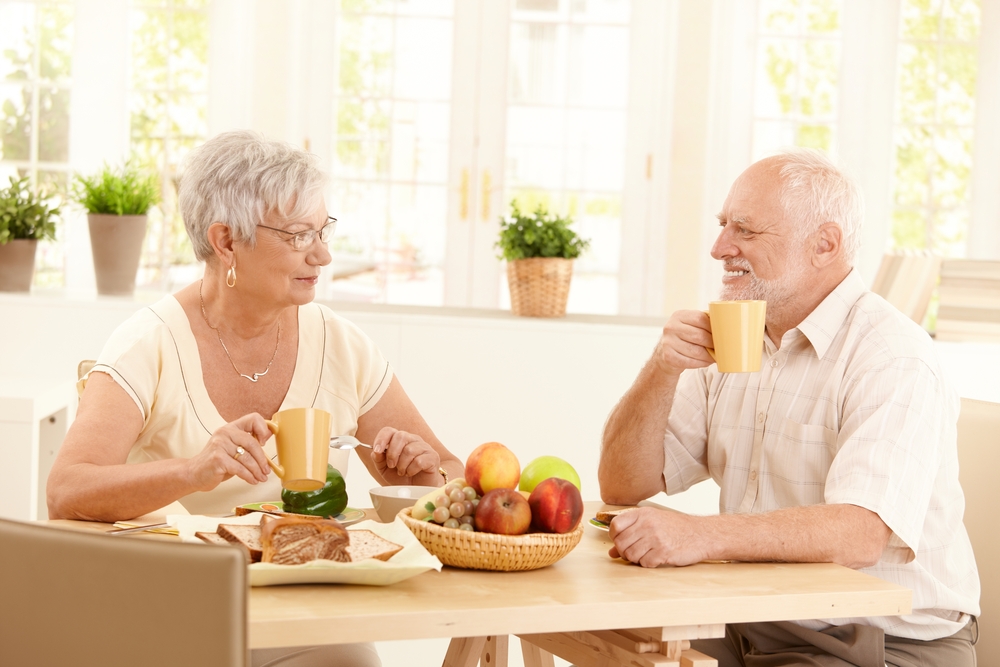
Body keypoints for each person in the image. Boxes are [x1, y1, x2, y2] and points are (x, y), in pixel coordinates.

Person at [47, 130, 464, 667]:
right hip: (169, 611)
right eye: (298, 236)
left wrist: (422, 480)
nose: (324, 254)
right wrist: (192, 471)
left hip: (304, 616)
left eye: (322, 230)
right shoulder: (148, 343)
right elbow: (67, 489)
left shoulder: (340, 343)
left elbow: (449, 472)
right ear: (225, 242)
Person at [599, 148, 980, 667]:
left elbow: (860, 533)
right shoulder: (736, 337)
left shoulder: (892, 355)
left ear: (824, 244)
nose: (718, 248)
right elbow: (622, 485)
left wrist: (699, 536)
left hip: (881, 643)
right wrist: (662, 369)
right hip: (755, 619)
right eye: (722, 226)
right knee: (609, 644)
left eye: (746, 231)